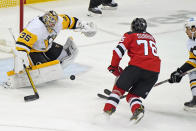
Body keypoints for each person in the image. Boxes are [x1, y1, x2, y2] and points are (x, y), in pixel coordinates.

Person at [103, 18, 161, 123]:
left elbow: (118, 51)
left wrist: (114, 66)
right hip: (154, 71)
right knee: (133, 95)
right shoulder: (151, 37)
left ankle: (107, 111)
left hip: (136, 68)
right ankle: (138, 110)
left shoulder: (130, 35)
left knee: (118, 89)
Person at [14, 10, 96, 74]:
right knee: (45, 71)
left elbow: (72, 21)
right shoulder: (34, 28)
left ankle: (47, 58)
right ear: (45, 21)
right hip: (34, 50)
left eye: (53, 24)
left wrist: (83, 25)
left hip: (47, 46)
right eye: (49, 24)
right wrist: (22, 58)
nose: (52, 26)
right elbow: (21, 45)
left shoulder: (59, 21)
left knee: (65, 56)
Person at [168, 17, 196, 111]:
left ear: (193, 28)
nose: (186, 31)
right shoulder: (191, 42)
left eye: (188, 29)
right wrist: (180, 72)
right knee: (193, 72)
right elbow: (193, 60)